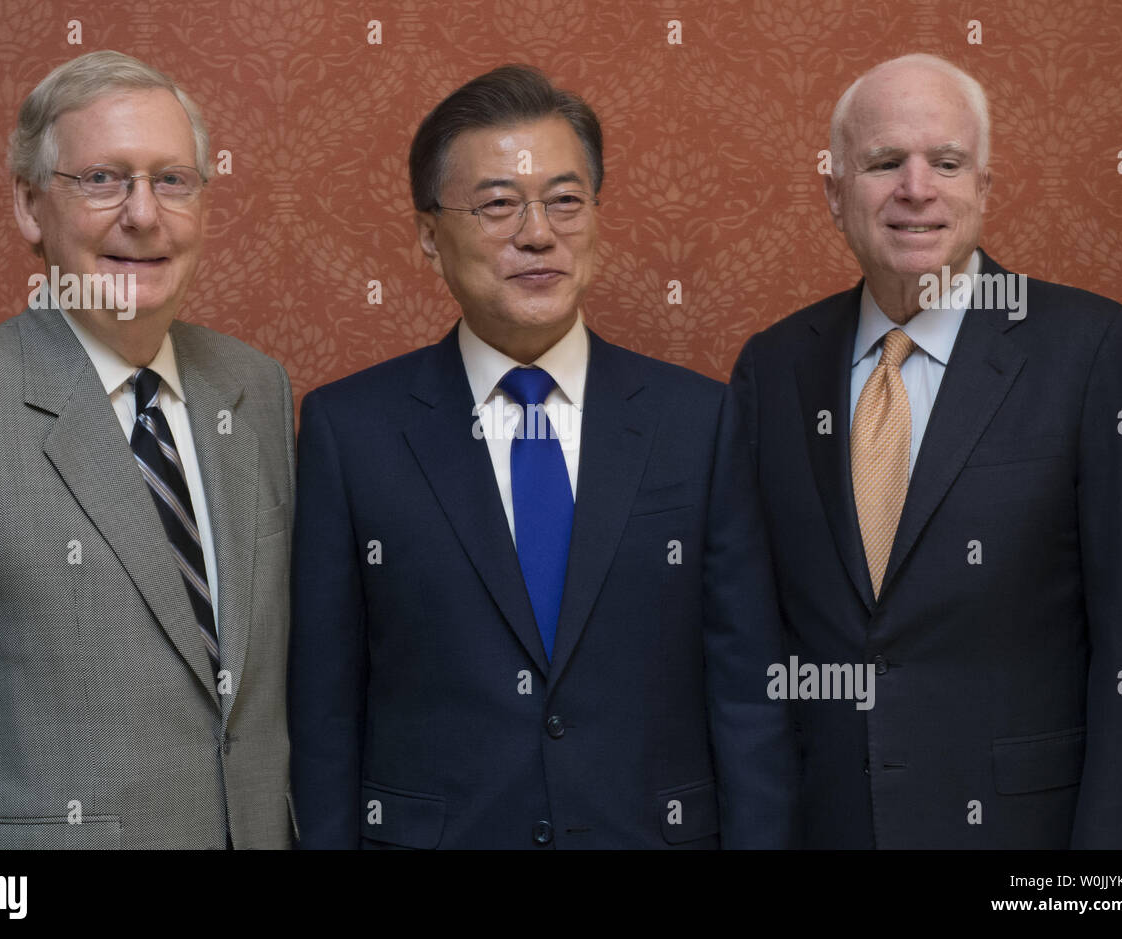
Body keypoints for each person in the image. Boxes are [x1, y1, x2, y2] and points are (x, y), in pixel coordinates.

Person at [289, 65, 795, 849]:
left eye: (565, 200)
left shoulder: (697, 420)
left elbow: (750, 695)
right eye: (497, 204)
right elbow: (325, 710)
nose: (537, 232)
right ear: (428, 235)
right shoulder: (348, 430)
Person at [730, 52, 1122, 847]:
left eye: (946, 162)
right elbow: (753, 644)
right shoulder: (774, 367)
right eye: (882, 163)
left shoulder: (1093, 350)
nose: (915, 189)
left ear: (982, 188)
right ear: (834, 192)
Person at [0, 50, 296, 849]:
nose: (143, 214)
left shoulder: (255, 390)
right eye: (103, 179)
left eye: (171, 180)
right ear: (31, 208)